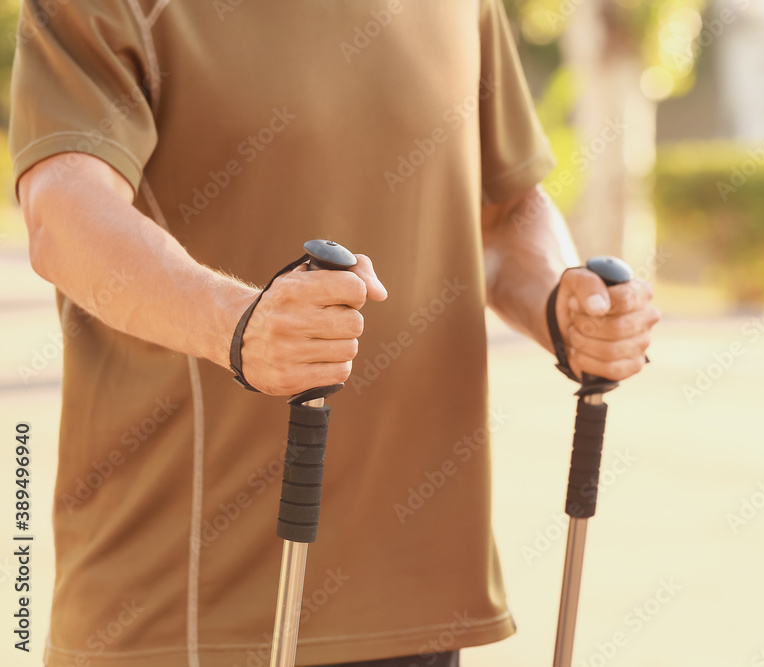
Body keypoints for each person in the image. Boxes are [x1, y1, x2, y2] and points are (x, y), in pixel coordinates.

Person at [11, 1, 659, 666]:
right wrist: (240, 324)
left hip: (417, 604)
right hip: (181, 617)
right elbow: (63, 210)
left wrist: (564, 308)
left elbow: (505, 208)